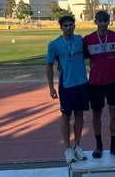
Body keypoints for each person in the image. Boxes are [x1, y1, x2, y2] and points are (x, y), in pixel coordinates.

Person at [46, 15, 89, 163]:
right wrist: (51, 87)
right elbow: (49, 66)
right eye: (65, 25)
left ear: (75, 26)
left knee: (80, 115)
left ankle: (78, 146)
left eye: (71, 24)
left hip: (82, 83)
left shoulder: (80, 40)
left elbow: (88, 55)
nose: (69, 27)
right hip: (67, 85)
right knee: (66, 116)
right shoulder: (54, 44)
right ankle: (67, 149)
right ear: (61, 27)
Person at [83, 10, 115, 159]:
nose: (102, 24)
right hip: (95, 83)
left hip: (112, 81)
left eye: (105, 21)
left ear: (109, 22)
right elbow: (79, 57)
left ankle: (114, 146)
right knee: (96, 114)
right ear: (95, 22)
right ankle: (98, 146)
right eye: (99, 21)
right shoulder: (87, 39)